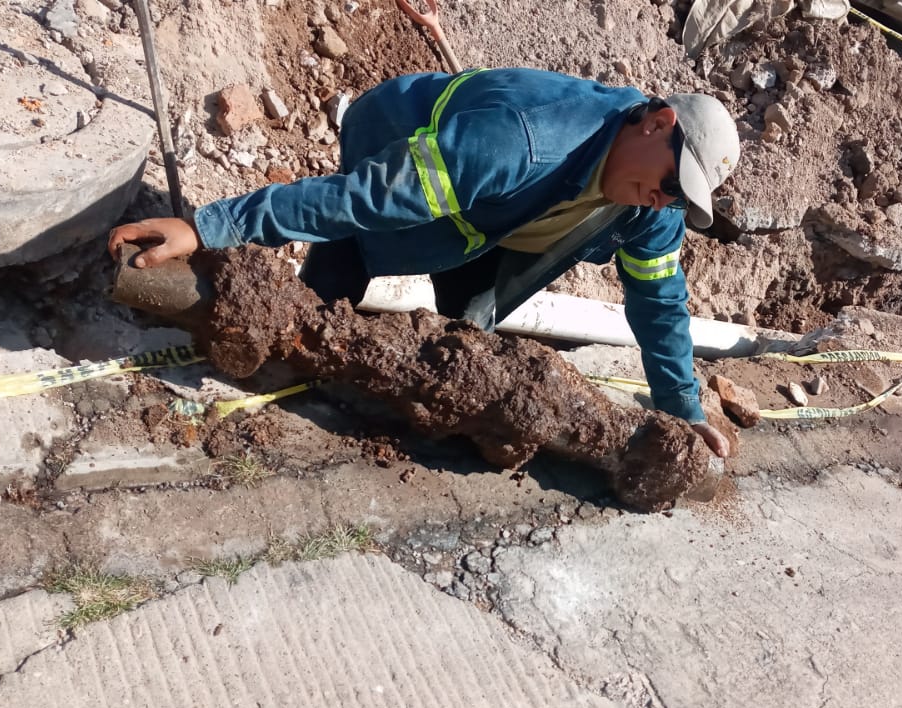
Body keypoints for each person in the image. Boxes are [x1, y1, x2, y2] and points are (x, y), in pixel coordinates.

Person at [108, 67, 741, 457]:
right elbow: (367, 196)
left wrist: (680, 406)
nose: (665, 201)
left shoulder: (654, 206)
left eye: (680, 198)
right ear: (656, 123)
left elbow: (659, 302)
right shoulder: (522, 144)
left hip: (500, 221)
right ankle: (300, 344)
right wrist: (208, 226)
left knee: (464, 348)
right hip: (394, 133)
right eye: (668, 182)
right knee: (341, 275)